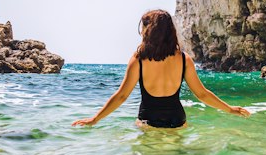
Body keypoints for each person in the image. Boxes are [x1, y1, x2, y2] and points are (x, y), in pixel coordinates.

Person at [72, 9, 250, 129]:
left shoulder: (139, 59)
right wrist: (230, 109)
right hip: (178, 121)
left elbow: (121, 96)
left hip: (148, 122)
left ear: (149, 30)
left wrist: (95, 119)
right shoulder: (183, 59)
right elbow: (202, 94)